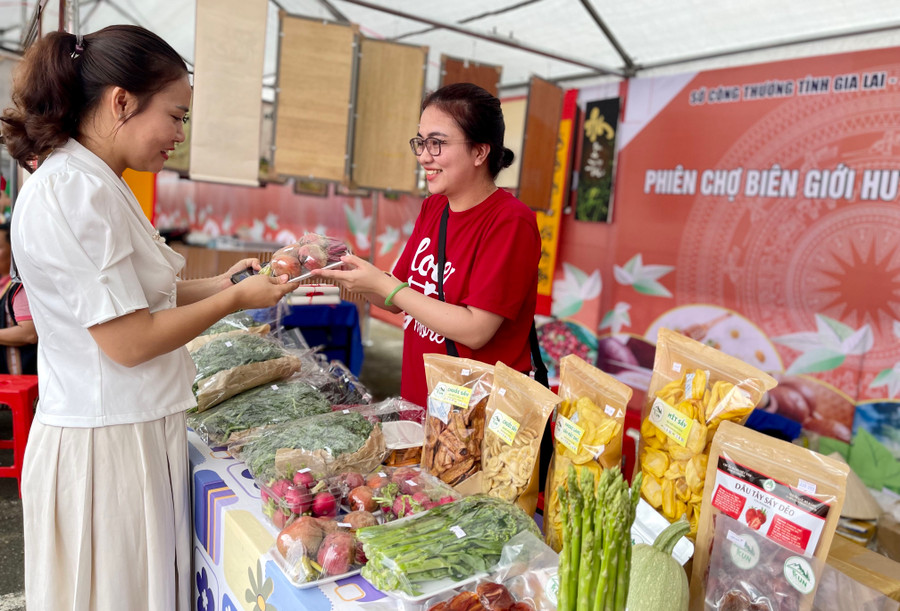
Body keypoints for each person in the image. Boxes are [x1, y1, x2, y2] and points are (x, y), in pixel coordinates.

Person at [0, 25, 297, 610]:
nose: (179, 135)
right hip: (105, 447)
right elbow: (130, 340)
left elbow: (139, 297)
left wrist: (227, 282)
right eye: (176, 116)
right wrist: (236, 301)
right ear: (121, 102)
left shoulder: (94, 180)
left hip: (124, 429)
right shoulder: (75, 192)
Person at [316, 82, 541, 408]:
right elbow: (395, 298)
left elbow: (476, 330)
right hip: (420, 401)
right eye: (421, 142)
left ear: (480, 152)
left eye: (437, 143)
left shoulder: (511, 221)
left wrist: (387, 286)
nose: (423, 156)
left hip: (473, 415)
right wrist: (341, 265)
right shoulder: (434, 207)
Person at [0, 222, 37, 374]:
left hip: (24, 376)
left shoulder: (20, 287)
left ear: (14, 249)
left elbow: (29, 333)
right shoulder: (5, 284)